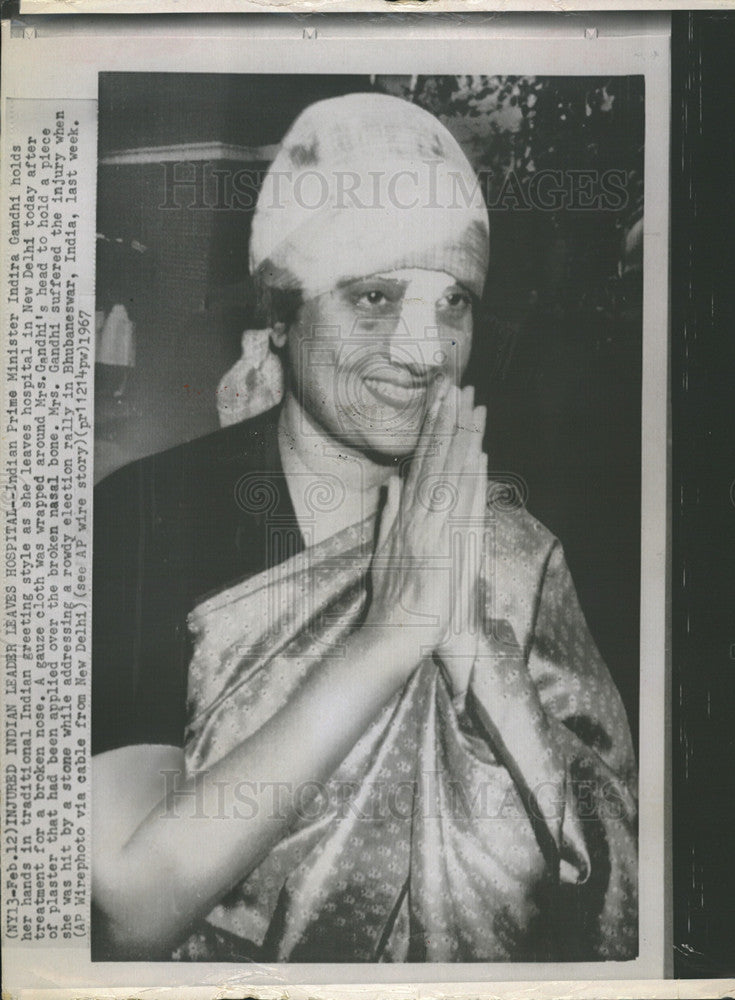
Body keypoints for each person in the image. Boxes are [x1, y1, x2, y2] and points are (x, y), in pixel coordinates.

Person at [91, 93, 638, 963]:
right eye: (376, 297)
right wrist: (393, 636)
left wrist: (476, 654)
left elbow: (610, 875)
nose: (426, 350)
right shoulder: (155, 513)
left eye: (453, 301)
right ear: (280, 311)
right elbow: (130, 906)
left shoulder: (513, 550)